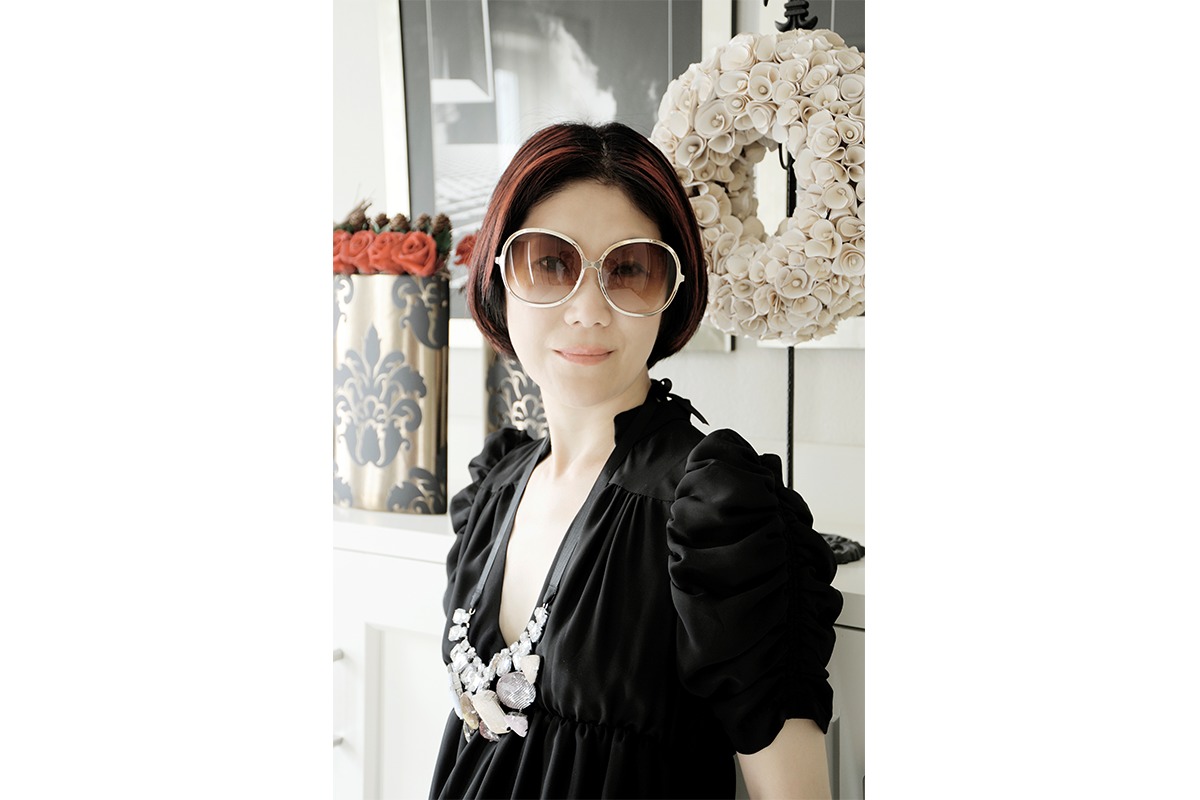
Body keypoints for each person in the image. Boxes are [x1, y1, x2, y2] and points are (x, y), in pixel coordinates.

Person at [430, 121, 842, 799]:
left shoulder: (714, 514)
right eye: (550, 262)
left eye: (629, 270)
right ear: (498, 277)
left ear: (670, 292)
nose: (588, 310)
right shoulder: (494, 490)